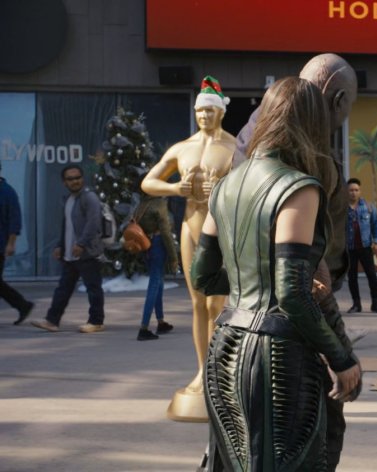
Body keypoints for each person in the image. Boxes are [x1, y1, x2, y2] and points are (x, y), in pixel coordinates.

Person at [191, 77, 361, 471]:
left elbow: (202, 276)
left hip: (226, 348)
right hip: (278, 359)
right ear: (312, 122)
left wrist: (252, 281)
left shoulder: (226, 185)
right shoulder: (299, 188)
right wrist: (341, 358)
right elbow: (289, 291)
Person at [141, 76, 235, 408]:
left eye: (210, 110)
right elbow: (149, 181)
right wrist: (175, 189)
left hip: (222, 230)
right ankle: (202, 371)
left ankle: (222, 371)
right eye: (199, 111)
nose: (204, 116)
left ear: (221, 111)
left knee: (217, 305)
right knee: (197, 304)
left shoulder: (236, 149)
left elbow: (253, 187)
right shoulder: (182, 148)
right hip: (190, 228)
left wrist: (222, 191)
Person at [31, 164, 106, 333]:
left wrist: (81, 244)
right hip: (70, 254)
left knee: (93, 288)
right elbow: (66, 227)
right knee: (63, 288)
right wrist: (60, 245)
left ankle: (96, 321)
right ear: (64, 182)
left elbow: (93, 223)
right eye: (70, 179)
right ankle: (52, 320)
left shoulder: (90, 197)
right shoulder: (68, 200)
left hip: (87, 253)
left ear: (83, 179)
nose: (75, 181)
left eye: (78, 177)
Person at [134, 195, 178, 341]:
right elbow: (166, 232)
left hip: (146, 245)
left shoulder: (142, 204)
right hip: (158, 245)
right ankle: (144, 328)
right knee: (155, 284)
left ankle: (161, 321)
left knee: (158, 283)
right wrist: (173, 257)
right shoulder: (159, 204)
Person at [0, 162, 34, 325]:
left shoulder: (7, 192)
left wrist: (11, 243)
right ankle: (23, 305)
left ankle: (23, 305)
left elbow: (15, 220)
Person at [345, 178, 377, 314]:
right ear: (347, 191)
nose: (353, 193)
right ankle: (356, 304)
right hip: (349, 248)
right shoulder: (342, 209)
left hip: (366, 246)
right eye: (351, 190)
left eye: (356, 190)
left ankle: (375, 303)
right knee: (352, 277)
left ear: (360, 191)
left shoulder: (368, 207)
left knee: (371, 275)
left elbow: (375, 225)